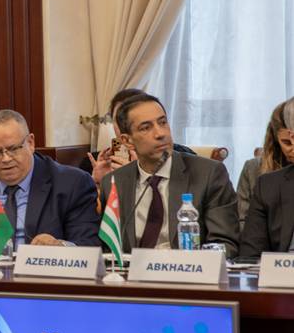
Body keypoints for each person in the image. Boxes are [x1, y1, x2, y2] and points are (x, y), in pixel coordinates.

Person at [100, 93, 239, 257]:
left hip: (187, 274)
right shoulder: (114, 182)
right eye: (146, 127)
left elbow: (226, 245)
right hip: (132, 278)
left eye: (163, 122)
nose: (160, 133)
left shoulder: (209, 174)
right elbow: (108, 248)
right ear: (127, 141)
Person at [0, 110, 100, 247]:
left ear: (30, 143)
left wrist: (61, 246)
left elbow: (88, 245)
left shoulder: (71, 183)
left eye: (13, 149)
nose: (6, 159)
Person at [82, 88, 195, 185]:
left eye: (162, 122)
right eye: (120, 120)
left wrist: (141, 173)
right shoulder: (95, 163)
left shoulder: (186, 159)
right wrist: (100, 183)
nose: (125, 126)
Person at [236, 102, 294, 228]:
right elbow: (242, 222)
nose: (292, 149)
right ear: (275, 139)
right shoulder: (253, 169)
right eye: (286, 143)